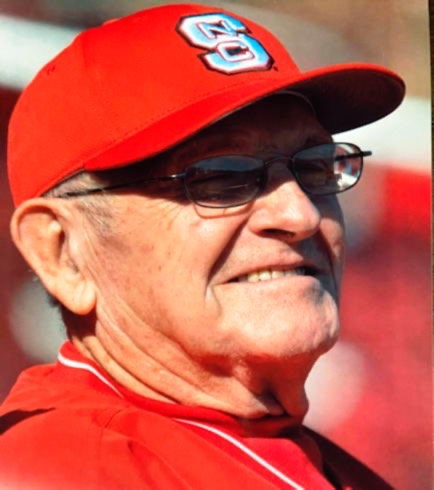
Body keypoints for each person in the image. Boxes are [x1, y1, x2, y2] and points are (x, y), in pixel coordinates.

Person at [0, 3, 404, 489]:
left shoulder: (326, 465)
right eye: (219, 178)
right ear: (63, 254)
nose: (299, 215)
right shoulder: (56, 471)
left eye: (315, 167)